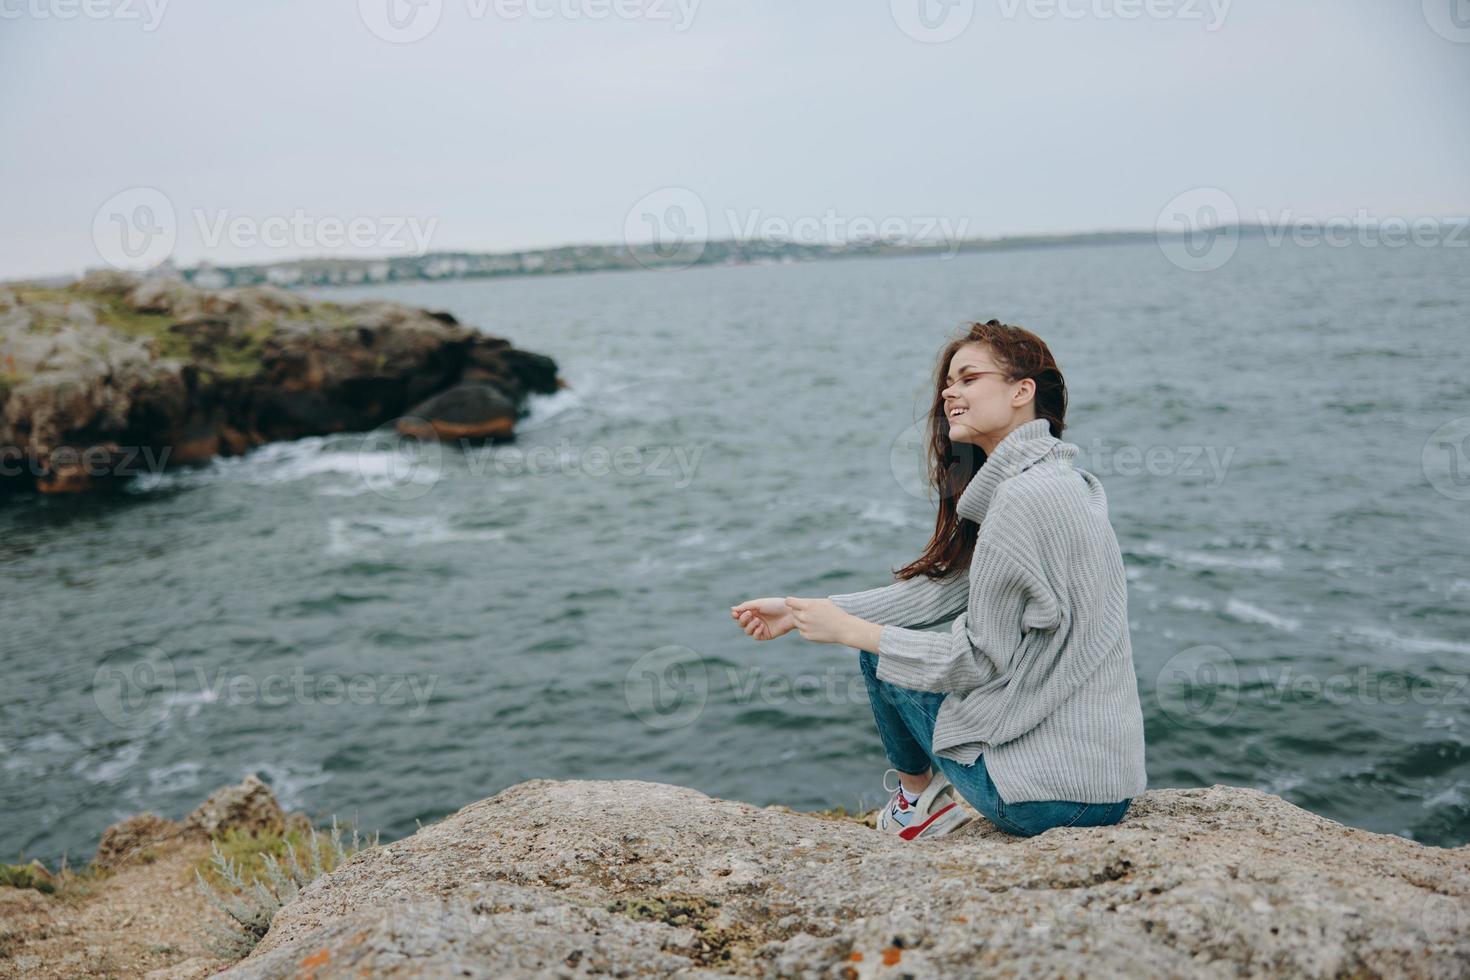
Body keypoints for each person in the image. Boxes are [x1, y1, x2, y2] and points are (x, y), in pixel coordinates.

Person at [731, 319, 1147, 839]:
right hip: (1104, 789)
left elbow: (976, 658)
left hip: (1041, 801)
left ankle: (917, 804)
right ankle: (923, 798)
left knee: (881, 656)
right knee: (887, 644)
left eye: (969, 378)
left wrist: (851, 632)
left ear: (1022, 391)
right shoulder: (1066, 484)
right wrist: (799, 610)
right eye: (950, 382)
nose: (950, 392)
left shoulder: (1021, 500)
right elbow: (951, 588)